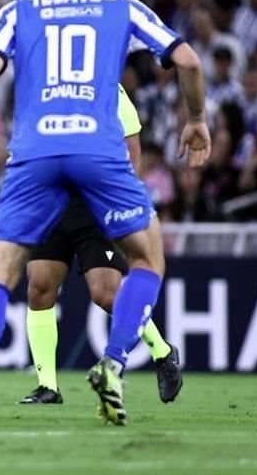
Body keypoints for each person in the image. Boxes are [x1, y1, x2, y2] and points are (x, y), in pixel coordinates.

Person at [0, 0, 209, 426]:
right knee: (148, 260)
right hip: (98, 149)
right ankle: (112, 362)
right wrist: (196, 119)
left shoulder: (17, 10)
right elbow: (189, 63)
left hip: (35, 153)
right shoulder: (121, 6)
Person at [21, 85, 182, 406]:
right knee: (39, 286)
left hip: (96, 205)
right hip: (52, 201)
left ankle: (163, 353)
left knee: (105, 293)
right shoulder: (41, 85)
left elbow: (131, 146)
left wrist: (120, 201)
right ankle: (47, 386)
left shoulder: (108, 88)